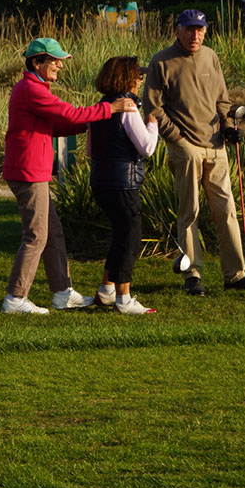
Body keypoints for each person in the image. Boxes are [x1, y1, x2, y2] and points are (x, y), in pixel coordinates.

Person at [1, 38, 136, 314]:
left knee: (53, 233)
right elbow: (69, 113)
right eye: (54, 60)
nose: (59, 65)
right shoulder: (31, 89)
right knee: (36, 236)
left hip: (33, 170)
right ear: (37, 62)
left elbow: (56, 125)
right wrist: (110, 109)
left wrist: (89, 123)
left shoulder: (35, 88)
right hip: (28, 172)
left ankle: (62, 293)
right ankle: (15, 298)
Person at [143, 9, 245, 296]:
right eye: (189, 29)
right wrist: (176, 137)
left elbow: (222, 101)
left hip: (216, 145)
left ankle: (235, 275)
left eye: (199, 29)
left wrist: (228, 128)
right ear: (177, 30)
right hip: (185, 147)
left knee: (227, 210)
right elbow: (152, 107)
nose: (194, 34)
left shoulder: (211, 57)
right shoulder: (161, 61)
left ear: (205, 32)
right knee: (189, 211)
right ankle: (192, 274)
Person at [87, 57, 158, 314]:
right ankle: (124, 298)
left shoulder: (100, 107)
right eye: (137, 75)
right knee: (130, 236)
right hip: (123, 183)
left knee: (120, 233)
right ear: (125, 78)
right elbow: (147, 147)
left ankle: (107, 289)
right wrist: (153, 125)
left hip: (101, 181)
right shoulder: (128, 108)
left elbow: (90, 149)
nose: (140, 79)